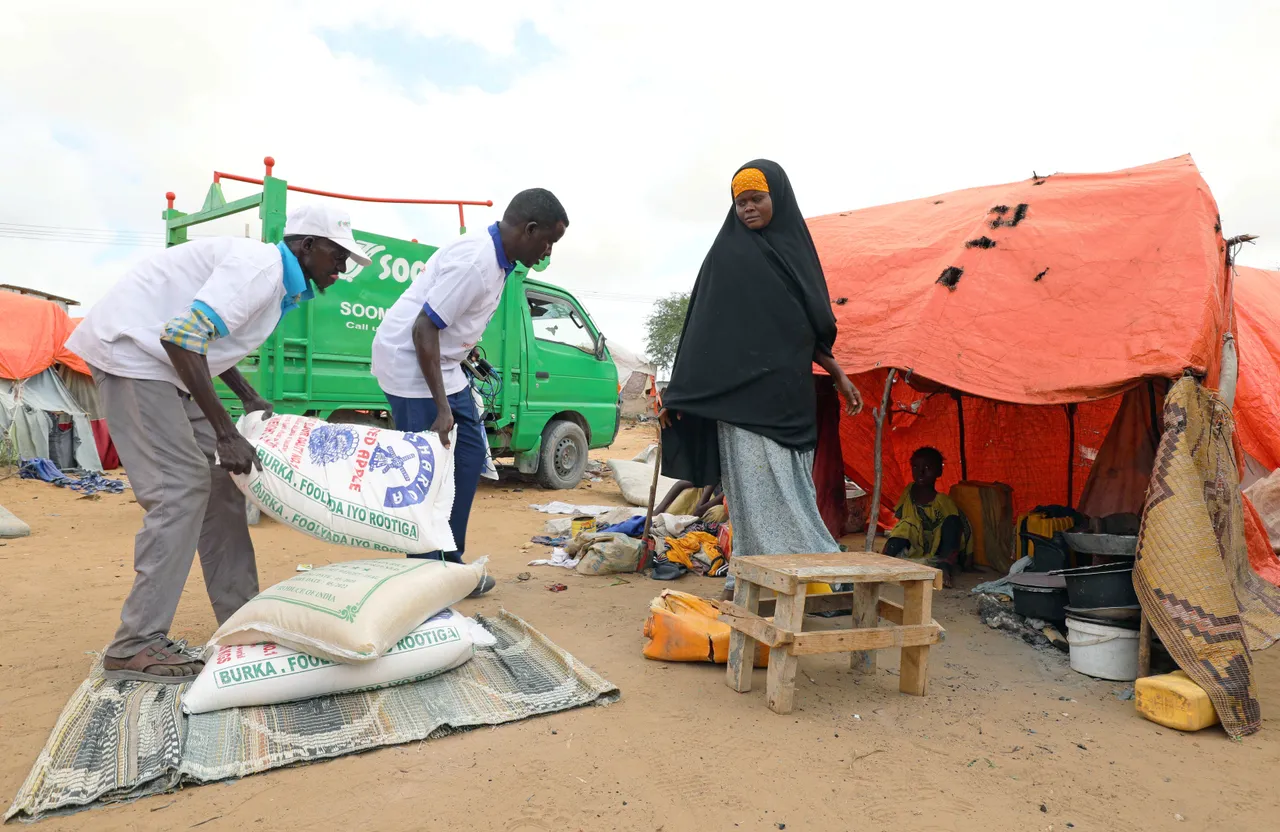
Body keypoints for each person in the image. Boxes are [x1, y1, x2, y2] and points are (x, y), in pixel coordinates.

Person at [66, 205, 371, 683]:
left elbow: (205, 339)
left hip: (164, 364)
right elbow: (181, 338)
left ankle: (242, 616)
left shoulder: (275, 284)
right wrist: (226, 432)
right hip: (134, 357)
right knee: (180, 488)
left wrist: (247, 395)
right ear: (307, 245)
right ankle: (135, 644)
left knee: (223, 483)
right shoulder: (262, 270)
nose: (343, 267)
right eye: (338, 254)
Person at [658, 160, 862, 599]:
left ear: (778, 199)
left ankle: (812, 571)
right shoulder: (727, 256)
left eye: (757, 200)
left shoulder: (796, 253)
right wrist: (679, 393)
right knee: (749, 494)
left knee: (792, 489)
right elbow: (701, 331)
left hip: (786, 398)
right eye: (740, 202)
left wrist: (840, 375)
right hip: (738, 403)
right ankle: (747, 575)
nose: (748, 209)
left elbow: (807, 329)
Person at [372, 189, 569, 594]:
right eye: (547, 241)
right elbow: (423, 329)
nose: (547, 252)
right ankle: (427, 579)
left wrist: (466, 350)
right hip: (410, 362)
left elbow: (447, 324)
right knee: (430, 473)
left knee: (470, 454)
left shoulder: (500, 261)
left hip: (442, 362)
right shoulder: (477, 262)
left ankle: (449, 563)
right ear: (529, 230)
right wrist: (442, 408)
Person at [883, 446, 973, 588]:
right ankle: (885, 560)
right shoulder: (908, 492)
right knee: (906, 524)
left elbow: (956, 529)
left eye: (927, 467)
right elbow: (902, 522)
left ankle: (944, 568)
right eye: (915, 467)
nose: (921, 472)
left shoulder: (943, 501)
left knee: (952, 522)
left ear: (939, 471)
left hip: (938, 546)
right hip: (916, 545)